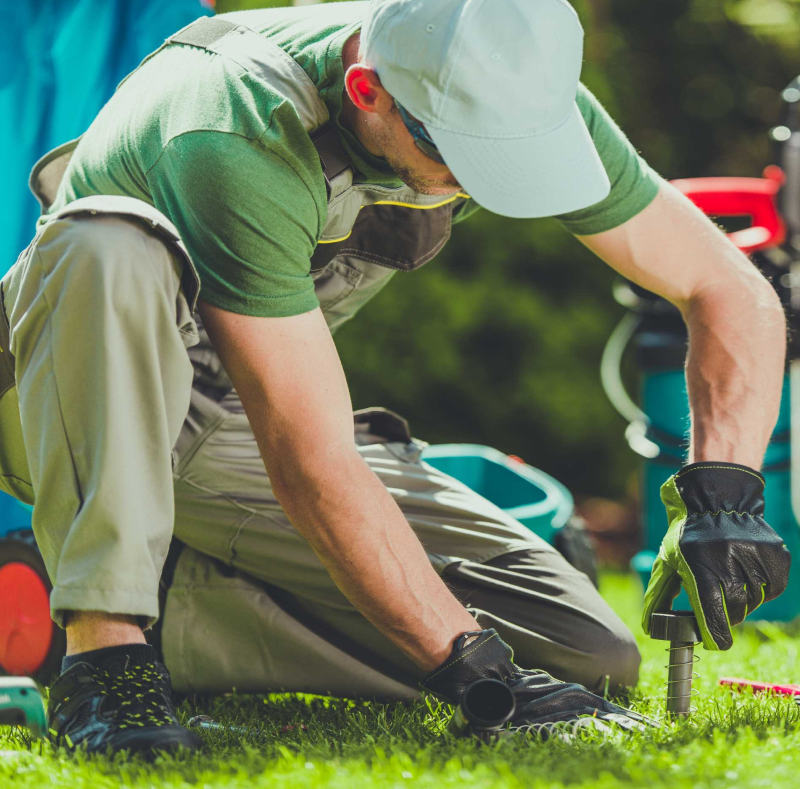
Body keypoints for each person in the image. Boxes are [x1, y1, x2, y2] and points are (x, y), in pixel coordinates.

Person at [0, 0, 789, 755]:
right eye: (457, 158)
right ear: (366, 91)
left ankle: (128, 598)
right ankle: (105, 652)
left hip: (232, 420)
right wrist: (479, 678)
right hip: (71, 403)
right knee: (107, 244)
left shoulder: (507, 86)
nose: (476, 183)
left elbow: (727, 289)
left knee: (586, 652)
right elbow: (310, 462)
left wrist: (724, 490)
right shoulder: (231, 124)